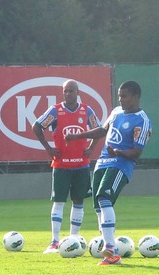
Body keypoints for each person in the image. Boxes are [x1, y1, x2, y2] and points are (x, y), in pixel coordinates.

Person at [65, 80, 151, 265]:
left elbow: (137, 151)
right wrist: (77, 136)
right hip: (102, 163)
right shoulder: (116, 112)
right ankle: (107, 247)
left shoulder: (142, 120)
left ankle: (111, 249)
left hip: (120, 165)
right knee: (98, 206)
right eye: (119, 96)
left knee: (104, 197)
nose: (121, 100)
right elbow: (102, 131)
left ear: (135, 96)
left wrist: (118, 153)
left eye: (124, 96)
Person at [33, 79, 101, 254]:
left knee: (78, 201)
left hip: (81, 165)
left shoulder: (86, 110)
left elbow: (98, 130)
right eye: (65, 91)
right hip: (61, 164)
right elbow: (37, 126)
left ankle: (73, 238)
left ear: (78, 93)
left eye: (71, 91)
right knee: (59, 201)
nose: (68, 94)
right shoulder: (55, 111)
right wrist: (48, 148)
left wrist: (91, 148)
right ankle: (55, 241)